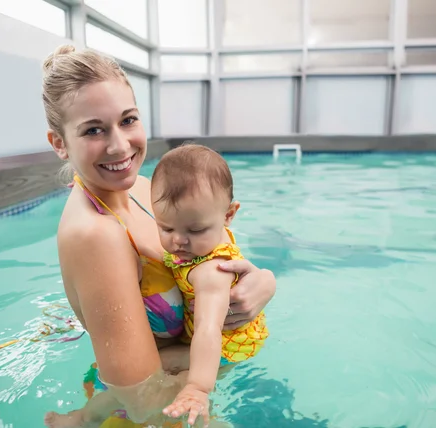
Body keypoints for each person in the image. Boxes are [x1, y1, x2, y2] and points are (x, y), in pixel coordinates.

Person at [39, 44, 277, 428]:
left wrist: (262, 284)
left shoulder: (142, 188)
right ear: (59, 144)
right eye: (94, 130)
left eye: (128, 120)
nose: (119, 145)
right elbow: (143, 398)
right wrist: (204, 382)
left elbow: (213, 250)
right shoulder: (96, 235)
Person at [149, 144, 269, 427]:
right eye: (166, 228)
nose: (178, 241)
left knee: (154, 368)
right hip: (218, 338)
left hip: (228, 346)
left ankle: (87, 417)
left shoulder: (212, 271)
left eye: (195, 230)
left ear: (229, 215)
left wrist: (198, 387)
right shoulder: (200, 233)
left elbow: (208, 328)